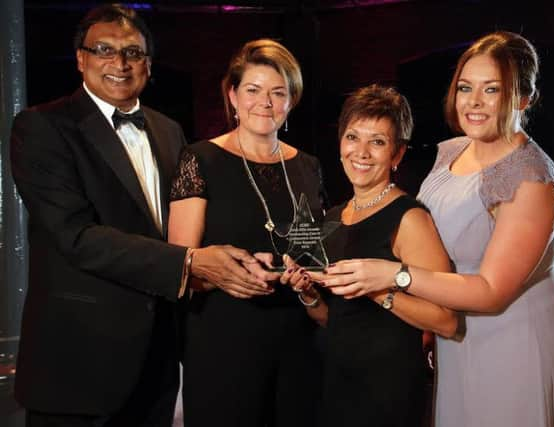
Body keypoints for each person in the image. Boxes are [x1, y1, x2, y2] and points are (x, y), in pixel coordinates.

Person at [314, 32, 554, 427]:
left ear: (524, 98)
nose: (473, 102)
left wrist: (394, 276)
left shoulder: (529, 177)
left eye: (491, 89)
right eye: (465, 87)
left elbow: (493, 292)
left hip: (515, 335)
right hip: (457, 333)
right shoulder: (454, 151)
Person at [10, 4, 265, 426]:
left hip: (158, 360)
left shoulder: (169, 130)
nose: (120, 63)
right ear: (81, 58)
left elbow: (186, 223)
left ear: (148, 63)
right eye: (104, 50)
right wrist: (189, 261)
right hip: (79, 365)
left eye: (133, 52)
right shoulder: (41, 127)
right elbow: (74, 236)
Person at [168, 39, 326, 427]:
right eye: (253, 90)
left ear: (291, 101)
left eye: (278, 93)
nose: (265, 103)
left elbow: (317, 250)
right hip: (224, 340)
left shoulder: (308, 166)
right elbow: (177, 266)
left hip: (299, 339)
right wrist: (231, 275)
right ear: (233, 95)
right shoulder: (199, 158)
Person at [284, 84, 457, 427]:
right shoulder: (333, 217)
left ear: (397, 154)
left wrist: (377, 290)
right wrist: (307, 295)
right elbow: (337, 319)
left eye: (377, 141)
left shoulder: (409, 218)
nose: (361, 152)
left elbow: (446, 321)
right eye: (352, 137)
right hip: (334, 381)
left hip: (386, 387)